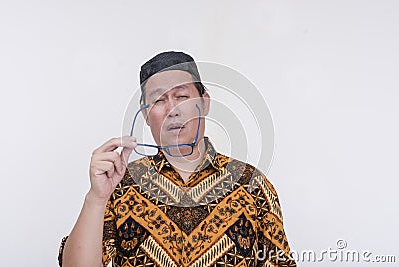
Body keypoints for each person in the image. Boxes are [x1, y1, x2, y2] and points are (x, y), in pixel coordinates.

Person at [58, 51, 296, 267]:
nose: (172, 109)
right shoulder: (119, 185)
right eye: (159, 100)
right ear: (146, 115)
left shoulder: (252, 184)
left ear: (205, 103)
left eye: (182, 96)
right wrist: (96, 198)